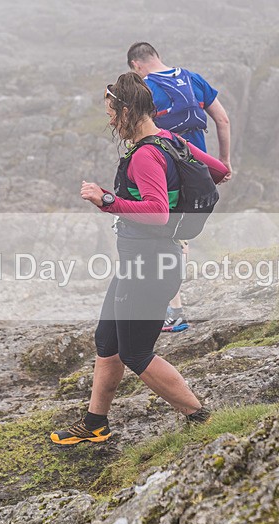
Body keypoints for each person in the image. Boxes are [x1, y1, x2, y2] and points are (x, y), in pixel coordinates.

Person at [49, 72, 229, 445]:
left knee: (136, 353)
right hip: (145, 262)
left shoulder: (147, 154)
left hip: (150, 266)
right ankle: (95, 422)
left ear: (127, 111)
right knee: (107, 339)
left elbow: (158, 212)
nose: (111, 121)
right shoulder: (170, 140)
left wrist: (108, 200)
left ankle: (204, 419)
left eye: (113, 113)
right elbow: (220, 170)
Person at [127, 42, 233, 333]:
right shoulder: (193, 78)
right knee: (178, 236)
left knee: (167, 236)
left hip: (167, 170)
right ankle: (171, 308)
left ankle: (172, 311)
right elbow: (222, 119)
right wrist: (222, 161)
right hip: (198, 170)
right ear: (156, 56)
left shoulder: (146, 89)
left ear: (135, 64)